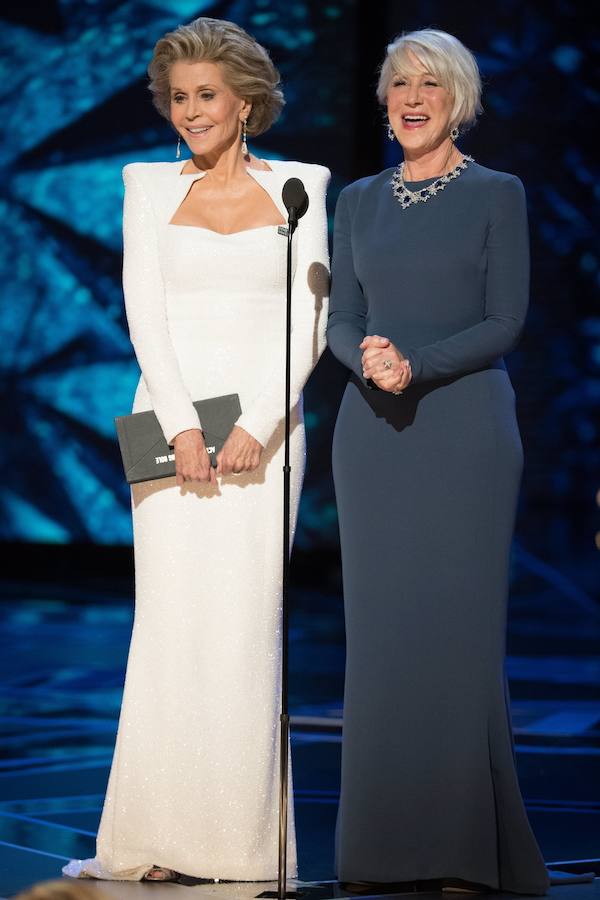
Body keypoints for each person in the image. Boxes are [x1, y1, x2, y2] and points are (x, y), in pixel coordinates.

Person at [63, 16, 329, 883]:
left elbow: (312, 321)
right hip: (169, 426)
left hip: (266, 433)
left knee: (243, 625)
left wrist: (256, 422)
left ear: (246, 99)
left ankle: (238, 844)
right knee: (172, 625)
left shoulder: (303, 186)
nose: (191, 112)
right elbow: (146, 310)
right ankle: (153, 839)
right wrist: (183, 425)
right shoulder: (146, 185)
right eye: (178, 98)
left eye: (206, 96)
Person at [327, 29, 549, 895]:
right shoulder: (355, 201)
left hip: (463, 431)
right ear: (383, 104)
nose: (411, 98)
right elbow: (341, 316)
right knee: (381, 643)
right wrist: (369, 359)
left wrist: (418, 365)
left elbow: (507, 320)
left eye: (430, 84)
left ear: (458, 100)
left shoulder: (499, 193)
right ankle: (380, 855)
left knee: (456, 641)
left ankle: (463, 852)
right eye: (397, 85)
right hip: (371, 432)